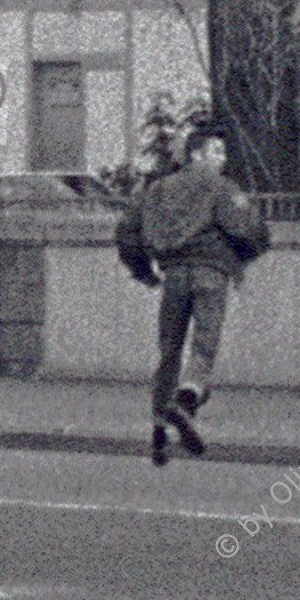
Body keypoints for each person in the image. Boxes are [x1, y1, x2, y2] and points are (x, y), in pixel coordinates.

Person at [117, 123, 269, 466]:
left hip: (172, 275)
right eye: (216, 152)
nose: (222, 159)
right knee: (204, 344)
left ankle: (158, 427)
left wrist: (143, 271)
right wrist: (242, 258)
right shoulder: (220, 186)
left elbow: (128, 231)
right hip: (211, 272)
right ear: (197, 154)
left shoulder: (157, 190)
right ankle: (186, 401)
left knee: (169, 349)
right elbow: (249, 227)